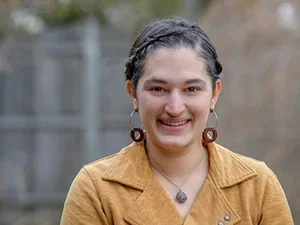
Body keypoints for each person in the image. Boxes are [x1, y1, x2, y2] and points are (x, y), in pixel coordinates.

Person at [60, 18, 294, 225]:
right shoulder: (97, 189)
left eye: (191, 88)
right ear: (133, 93)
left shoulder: (256, 186)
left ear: (214, 94)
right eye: (158, 89)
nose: (174, 108)